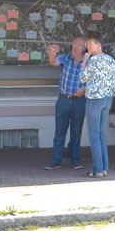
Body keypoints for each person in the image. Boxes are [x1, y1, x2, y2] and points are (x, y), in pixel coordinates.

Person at [80, 31, 115, 177]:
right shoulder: (110, 60)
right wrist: (110, 83)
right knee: (101, 133)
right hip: (108, 99)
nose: (88, 47)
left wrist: (84, 61)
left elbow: (82, 78)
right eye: (87, 45)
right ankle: (104, 167)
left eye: (90, 44)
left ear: (98, 45)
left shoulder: (92, 60)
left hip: (94, 99)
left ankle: (97, 169)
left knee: (94, 134)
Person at [44, 37, 87, 170]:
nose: (75, 48)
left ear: (84, 48)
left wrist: (85, 89)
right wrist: (51, 53)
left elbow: (95, 79)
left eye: (79, 46)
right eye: (74, 45)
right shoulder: (65, 58)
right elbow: (53, 62)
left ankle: (75, 160)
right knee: (59, 132)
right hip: (63, 100)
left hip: (79, 101)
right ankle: (56, 161)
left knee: (76, 132)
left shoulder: (88, 62)